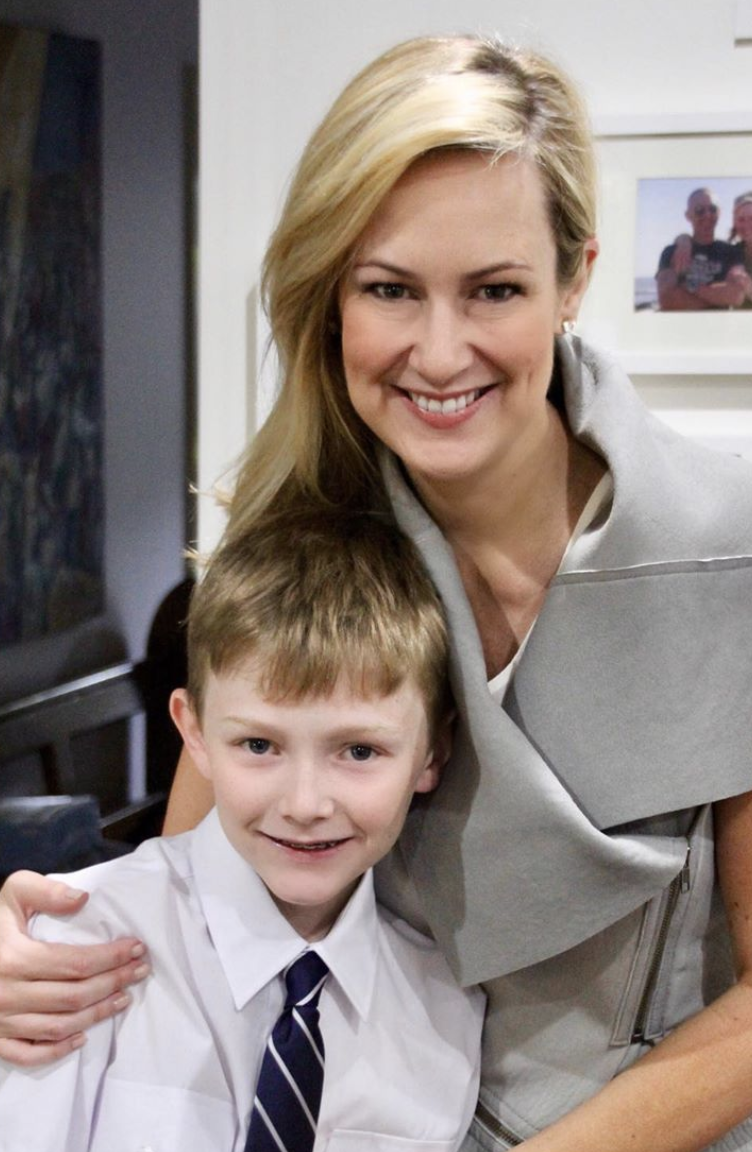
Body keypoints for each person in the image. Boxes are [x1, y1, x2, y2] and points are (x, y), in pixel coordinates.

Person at [2, 32, 752, 1152]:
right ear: (330, 296)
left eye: (492, 289)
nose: (437, 353)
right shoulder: (295, 559)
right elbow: (201, 907)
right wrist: (47, 955)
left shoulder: (729, 552)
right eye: (390, 290)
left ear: (574, 281)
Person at [0, 510, 484, 1151]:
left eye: (360, 751)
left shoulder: (446, 1014)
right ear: (194, 732)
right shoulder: (75, 949)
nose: (306, 804)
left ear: (432, 753)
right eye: (259, 744)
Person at [655, 186, 747, 310]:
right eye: (699, 210)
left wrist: (689, 287)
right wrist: (718, 297)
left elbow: (736, 295)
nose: (707, 215)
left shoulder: (731, 252)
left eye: (712, 209)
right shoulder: (672, 252)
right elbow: (667, 300)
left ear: (719, 212)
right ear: (688, 215)